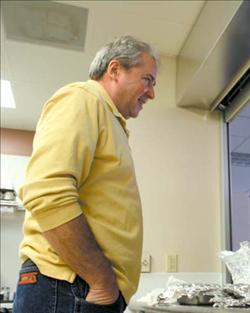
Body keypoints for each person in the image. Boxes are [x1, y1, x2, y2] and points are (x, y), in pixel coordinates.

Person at [13, 36, 158, 313]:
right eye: (148, 80)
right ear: (114, 70)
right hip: (70, 286)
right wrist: (101, 280)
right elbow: (47, 193)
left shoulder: (109, 119)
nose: (151, 93)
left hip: (79, 289)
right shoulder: (82, 98)